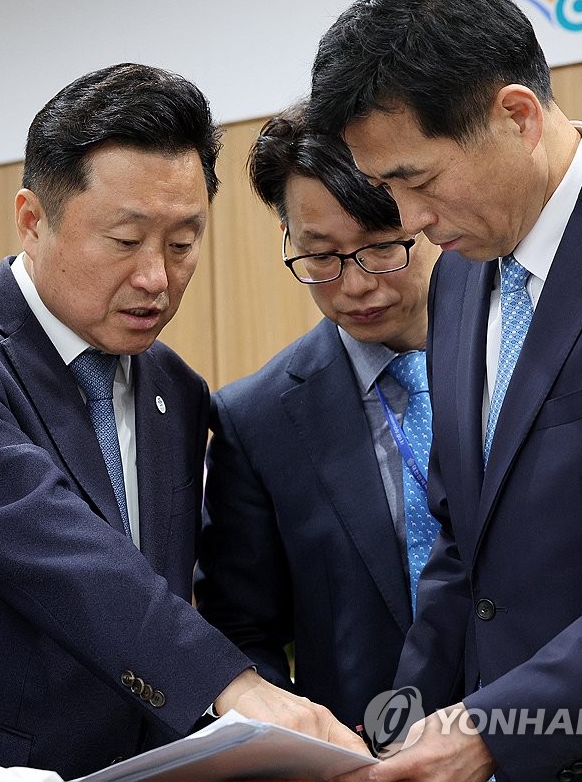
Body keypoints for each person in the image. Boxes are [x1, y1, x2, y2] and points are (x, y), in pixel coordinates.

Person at [0, 63, 368, 779]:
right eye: (126, 241)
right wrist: (231, 683)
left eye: (183, 243)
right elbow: (62, 553)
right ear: (33, 220)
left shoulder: (176, 388)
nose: (157, 278)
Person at [309, 0, 582, 781]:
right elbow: (462, 547)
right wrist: (398, 734)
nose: (412, 222)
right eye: (385, 188)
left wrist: (498, 728)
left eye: (417, 179)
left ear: (516, 115)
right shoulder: (466, 275)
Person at [195, 103, 440, 732]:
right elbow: (241, 630)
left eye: (381, 248)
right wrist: (304, 741)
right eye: (320, 256)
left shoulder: (517, 349)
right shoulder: (257, 419)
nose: (354, 286)